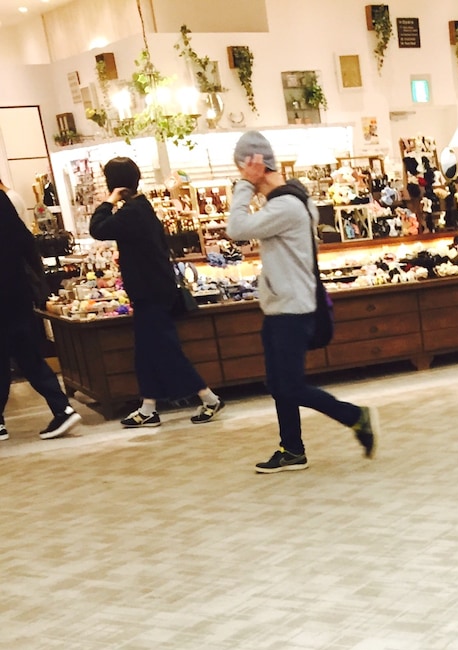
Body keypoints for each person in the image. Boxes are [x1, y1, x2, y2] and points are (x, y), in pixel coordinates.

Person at [225, 131, 379, 473]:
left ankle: (355, 416)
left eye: (241, 169)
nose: (240, 176)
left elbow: (236, 228)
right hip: (283, 306)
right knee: (278, 384)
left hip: (291, 309)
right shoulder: (290, 200)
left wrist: (245, 186)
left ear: (254, 164)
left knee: (290, 385)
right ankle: (292, 449)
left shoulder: (286, 206)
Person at [90, 158, 224, 429]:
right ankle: (148, 408)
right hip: (152, 291)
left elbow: (98, 229)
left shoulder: (132, 212)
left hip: (151, 293)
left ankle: (209, 398)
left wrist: (109, 200)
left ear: (113, 183)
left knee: (165, 349)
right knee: (146, 352)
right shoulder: (140, 208)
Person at [0, 190, 81, 442]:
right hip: (17, 293)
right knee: (27, 354)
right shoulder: (2, 202)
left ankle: (61, 409)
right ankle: (62, 408)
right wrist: (37, 285)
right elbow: (26, 242)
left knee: (18, 356)